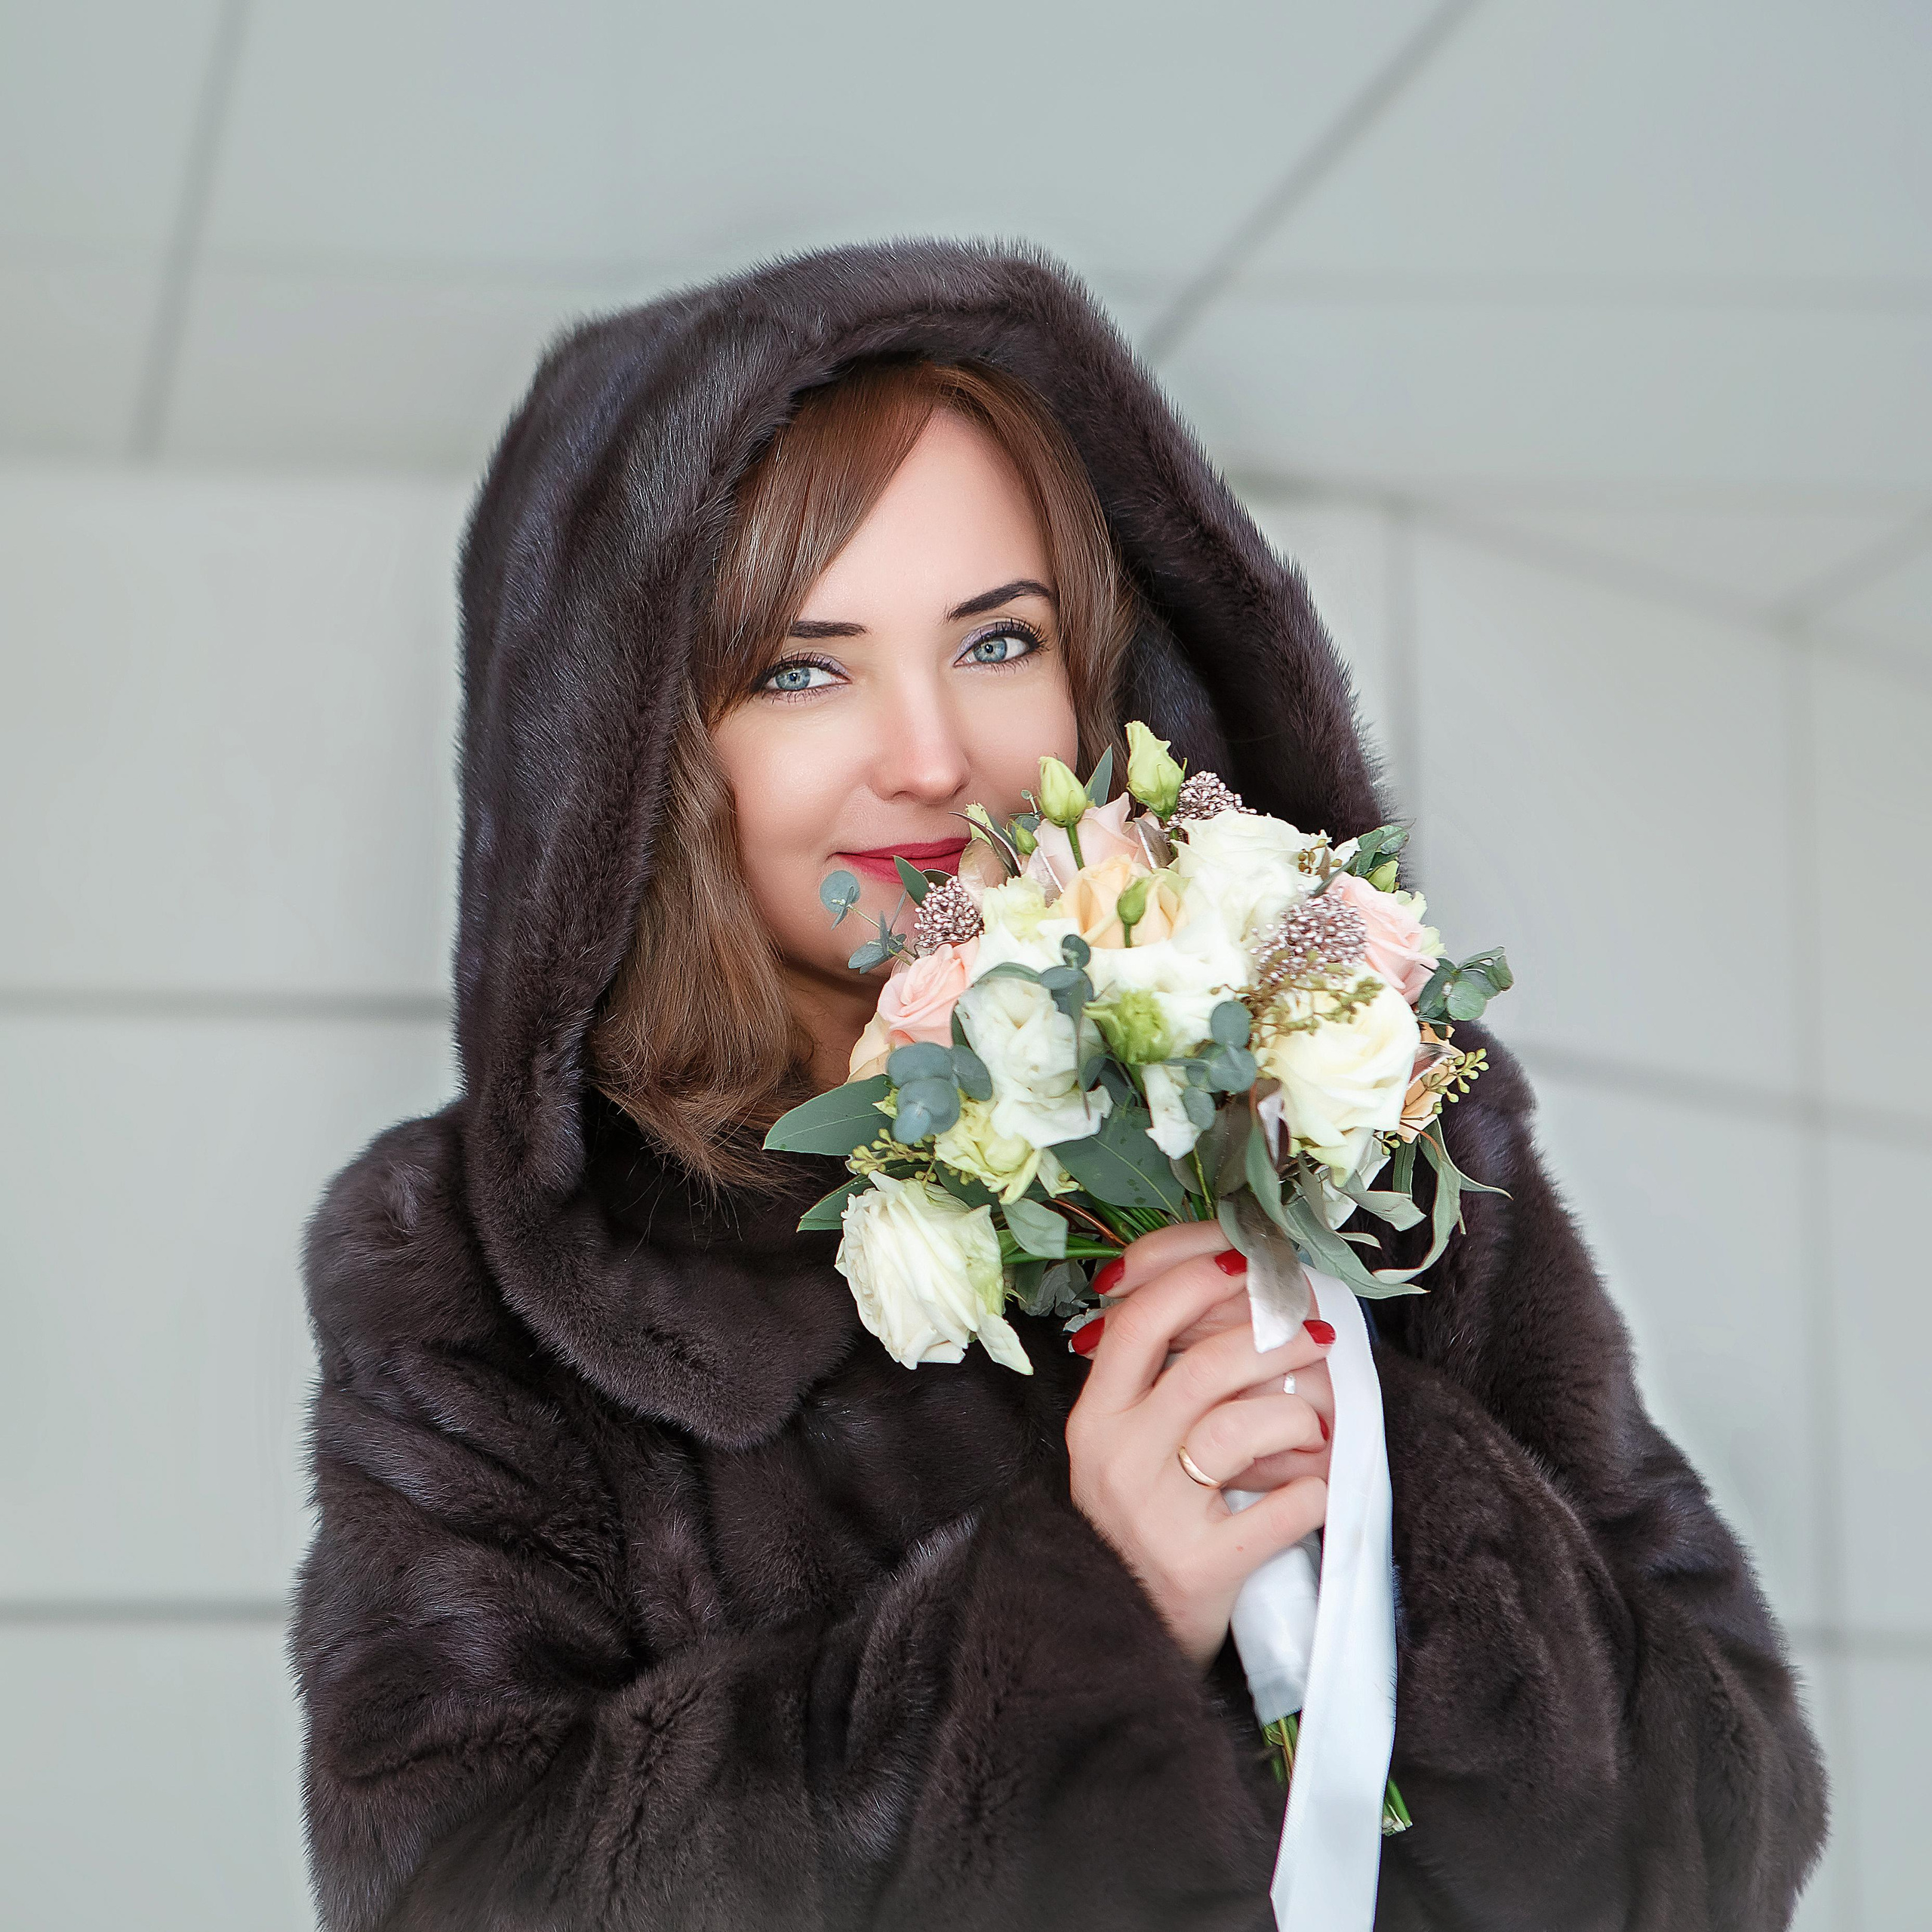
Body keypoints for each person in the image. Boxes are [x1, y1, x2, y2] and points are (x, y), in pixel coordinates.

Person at [292, 242, 1826, 1931]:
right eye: (801, 668)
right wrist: (1073, 1614)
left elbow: (1729, 1818)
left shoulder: (1374, 1103)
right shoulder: (481, 1268)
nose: (933, 754)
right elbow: (455, 1890)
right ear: (638, 749)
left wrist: (1385, 1493)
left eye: (996, 640)